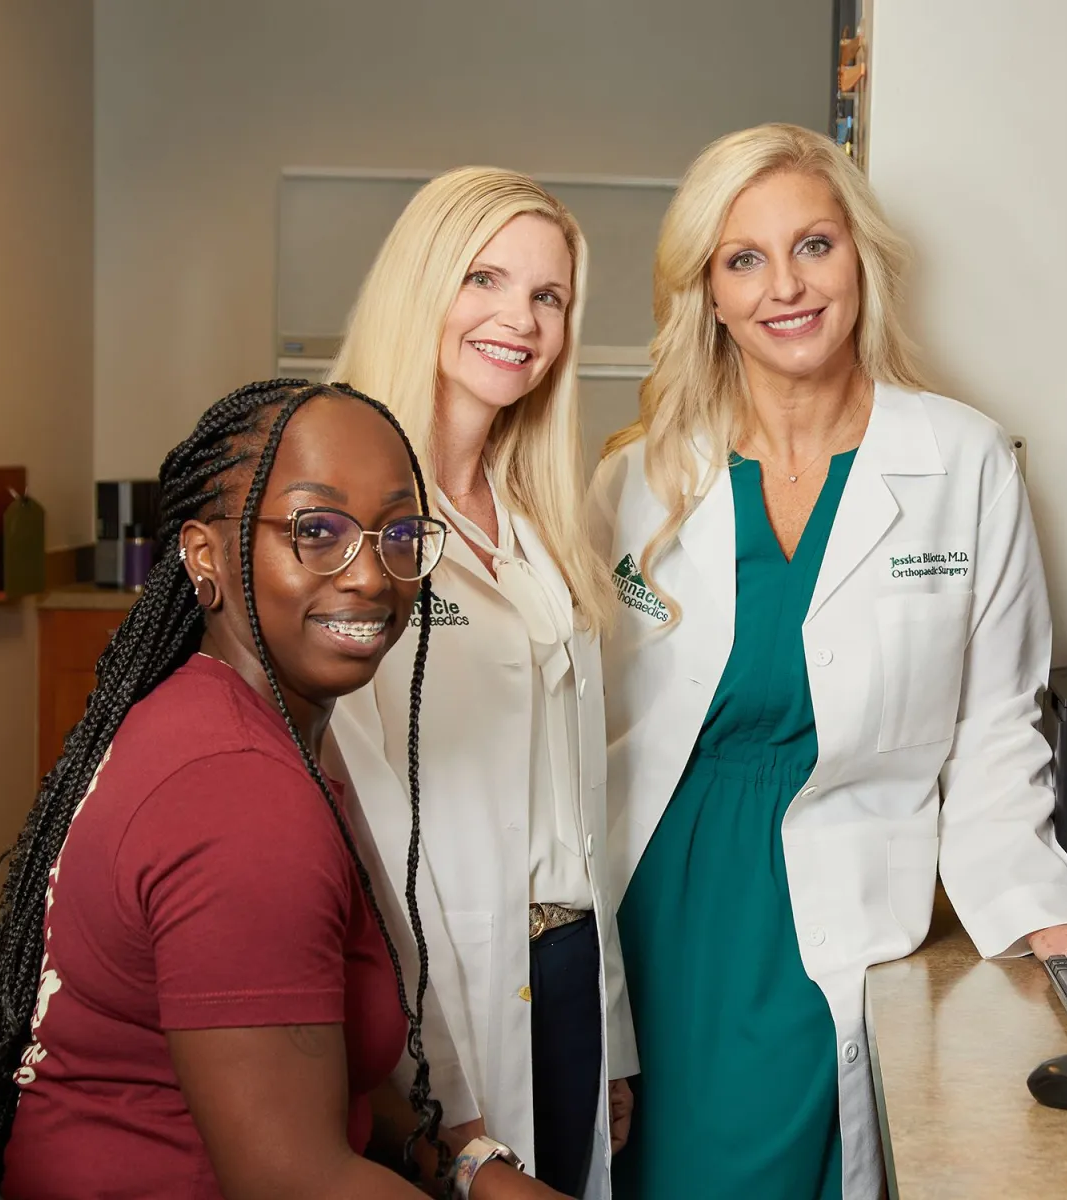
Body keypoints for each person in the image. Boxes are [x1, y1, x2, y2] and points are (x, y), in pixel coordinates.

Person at [588, 123, 1067, 1200]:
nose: (784, 286)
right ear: (705, 291)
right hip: (663, 913)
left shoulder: (962, 460)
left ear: (860, 260)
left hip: (846, 915)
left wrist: (1036, 909)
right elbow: (584, 731)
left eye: (813, 246)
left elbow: (994, 728)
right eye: (742, 259)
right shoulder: (637, 480)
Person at [0, 380, 560, 1199]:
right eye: (316, 531)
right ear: (206, 556)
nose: (370, 577)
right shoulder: (240, 800)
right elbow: (298, 1181)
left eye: (398, 534)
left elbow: (310, 1056)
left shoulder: (210, 712)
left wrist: (461, 1166)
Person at [326, 167, 635, 1199]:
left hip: (567, 976)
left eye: (548, 296)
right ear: (423, 288)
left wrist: (613, 1037)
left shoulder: (538, 518)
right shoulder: (345, 518)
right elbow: (356, 831)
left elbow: (581, 809)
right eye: (485, 279)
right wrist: (440, 1093)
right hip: (438, 986)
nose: (521, 319)